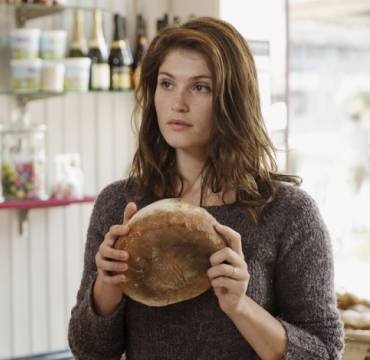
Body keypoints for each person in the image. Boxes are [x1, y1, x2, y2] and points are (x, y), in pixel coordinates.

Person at [68, 17, 344, 360]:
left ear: (233, 99)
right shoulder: (119, 204)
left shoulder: (289, 213)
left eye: (200, 87)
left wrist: (241, 306)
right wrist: (106, 288)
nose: (177, 103)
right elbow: (88, 351)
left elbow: (325, 353)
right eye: (167, 84)